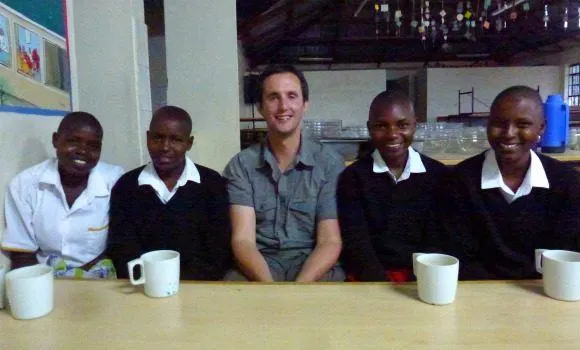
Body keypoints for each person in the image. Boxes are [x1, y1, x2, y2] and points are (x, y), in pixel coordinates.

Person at [442, 85, 580, 280]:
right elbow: (457, 254)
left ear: (541, 127)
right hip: (477, 290)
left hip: (544, 289)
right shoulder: (461, 180)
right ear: (488, 124)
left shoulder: (566, 182)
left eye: (522, 124)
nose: (509, 133)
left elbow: (566, 253)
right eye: (499, 123)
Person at [223, 64, 345, 282]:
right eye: (273, 97)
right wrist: (271, 289)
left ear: (305, 104)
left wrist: (299, 289)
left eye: (291, 96)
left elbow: (330, 240)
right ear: (260, 107)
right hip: (258, 263)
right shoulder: (241, 165)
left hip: (312, 262)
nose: (283, 106)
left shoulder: (329, 163)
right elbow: (243, 240)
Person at [107, 106, 231, 280]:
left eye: (176, 139)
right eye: (157, 138)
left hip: (200, 286)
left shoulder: (212, 185)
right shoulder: (126, 187)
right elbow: (122, 249)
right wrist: (154, 281)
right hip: (143, 285)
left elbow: (218, 251)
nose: (165, 147)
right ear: (148, 137)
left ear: (189, 143)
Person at [337, 90, 448, 282]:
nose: (392, 134)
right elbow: (356, 243)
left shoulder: (439, 176)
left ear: (415, 125)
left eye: (402, 125)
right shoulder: (353, 177)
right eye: (381, 126)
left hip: (423, 277)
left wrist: (417, 282)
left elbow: (438, 240)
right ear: (369, 128)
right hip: (369, 279)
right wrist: (382, 287)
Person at [1, 111, 124, 278]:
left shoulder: (115, 181)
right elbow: (22, 254)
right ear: (55, 140)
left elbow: (123, 243)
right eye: (73, 141)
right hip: (45, 278)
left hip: (99, 276)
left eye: (93, 145)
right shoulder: (25, 185)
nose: (82, 151)